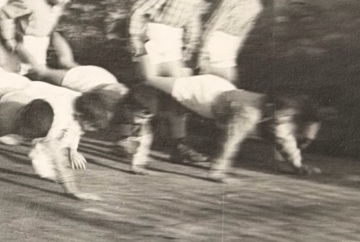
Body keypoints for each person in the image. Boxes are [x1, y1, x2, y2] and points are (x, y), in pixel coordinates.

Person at [127, 0, 222, 165]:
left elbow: (192, 19)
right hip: (152, 35)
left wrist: (191, 47)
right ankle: (128, 137)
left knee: (179, 93)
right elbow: (139, 9)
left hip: (173, 41)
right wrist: (135, 39)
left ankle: (178, 146)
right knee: (147, 87)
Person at [132, 72, 321, 182]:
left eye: (291, 116)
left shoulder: (279, 117)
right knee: (151, 78)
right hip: (203, 94)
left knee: (170, 101)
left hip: (223, 91)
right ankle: (130, 93)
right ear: (274, 107)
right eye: (286, 114)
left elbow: (286, 140)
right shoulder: (249, 113)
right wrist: (218, 170)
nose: (287, 120)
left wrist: (298, 166)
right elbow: (230, 141)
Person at [0, 81, 104, 200]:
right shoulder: (4, 119)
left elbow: (57, 157)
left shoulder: (51, 121)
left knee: (44, 146)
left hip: (16, 96)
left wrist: (72, 190)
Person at [199, 0, 271, 84]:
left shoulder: (256, 6)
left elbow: (243, 34)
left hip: (228, 54)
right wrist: (201, 56)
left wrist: (232, 58)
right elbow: (211, 25)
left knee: (230, 86)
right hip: (210, 48)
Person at [0, 0, 80, 73]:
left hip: (42, 42)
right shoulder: (33, 3)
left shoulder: (58, 4)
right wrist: (8, 38)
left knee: (38, 71)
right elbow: (6, 12)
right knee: (27, 70)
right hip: (27, 42)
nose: (67, 1)